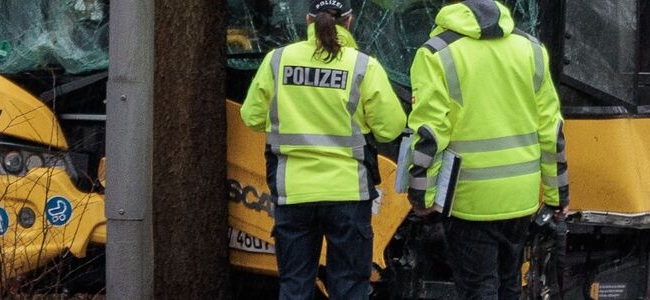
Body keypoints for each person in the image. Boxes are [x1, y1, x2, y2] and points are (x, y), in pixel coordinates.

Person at [240, 0, 406, 298]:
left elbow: (252, 117)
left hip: (293, 193)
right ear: (349, 22)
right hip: (348, 194)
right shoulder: (363, 65)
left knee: (294, 286)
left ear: (308, 20)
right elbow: (390, 128)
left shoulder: (277, 60)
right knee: (350, 287)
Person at [405, 0, 569, 299]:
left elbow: (431, 133)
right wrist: (558, 197)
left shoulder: (436, 53)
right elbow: (551, 130)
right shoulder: (531, 49)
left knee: (479, 288)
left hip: (469, 199)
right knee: (509, 285)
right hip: (520, 197)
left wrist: (422, 196)